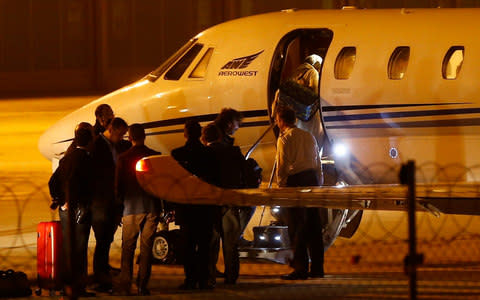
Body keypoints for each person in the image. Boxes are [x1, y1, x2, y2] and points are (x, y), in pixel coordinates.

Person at [275, 106, 324, 280]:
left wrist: (281, 186)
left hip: (295, 182)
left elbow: (282, 164)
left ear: (281, 121)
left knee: (297, 227)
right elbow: (318, 161)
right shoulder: (308, 136)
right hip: (312, 180)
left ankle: (301, 268)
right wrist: (319, 181)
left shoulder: (285, 138)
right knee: (313, 225)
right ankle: (318, 268)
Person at [114, 124, 160, 296]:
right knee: (147, 248)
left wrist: (118, 209)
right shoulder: (154, 156)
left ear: (130, 138)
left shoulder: (123, 158)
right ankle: (143, 284)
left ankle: (126, 282)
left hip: (131, 208)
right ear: (144, 136)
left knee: (128, 247)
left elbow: (118, 187)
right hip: (151, 207)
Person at [171, 120, 217, 290]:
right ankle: (204, 280)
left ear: (185, 134)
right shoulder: (209, 154)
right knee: (204, 246)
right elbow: (214, 180)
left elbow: (173, 182)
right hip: (205, 206)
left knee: (188, 246)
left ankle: (190, 279)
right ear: (200, 135)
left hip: (186, 206)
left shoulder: (177, 154)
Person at [51, 124, 95, 297]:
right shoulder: (86, 160)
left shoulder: (66, 159)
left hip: (65, 210)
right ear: (90, 141)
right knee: (80, 249)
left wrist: (60, 201)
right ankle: (79, 287)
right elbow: (83, 185)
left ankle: (65, 285)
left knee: (68, 248)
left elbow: (52, 182)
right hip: (80, 209)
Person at [90, 117, 129, 292]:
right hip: (100, 200)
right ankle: (100, 276)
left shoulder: (115, 145)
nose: (122, 138)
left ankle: (103, 270)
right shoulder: (98, 145)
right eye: (120, 134)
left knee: (107, 239)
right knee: (102, 239)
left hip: (113, 200)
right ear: (111, 129)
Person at [203, 122, 244, 285]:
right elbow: (244, 172)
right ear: (220, 136)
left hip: (210, 203)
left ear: (204, 138)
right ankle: (231, 275)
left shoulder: (204, 154)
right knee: (231, 243)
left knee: (211, 243)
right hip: (230, 200)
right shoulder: (233, 152)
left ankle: (210, 276)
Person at [214, 108, 254, 247]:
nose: (238, 127)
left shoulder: (220, 139)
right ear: (230, 123)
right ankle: (237, 236)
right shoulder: (225, 145)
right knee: (250, 205)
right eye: (237, 123)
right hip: (225, 192)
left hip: (218, 191)